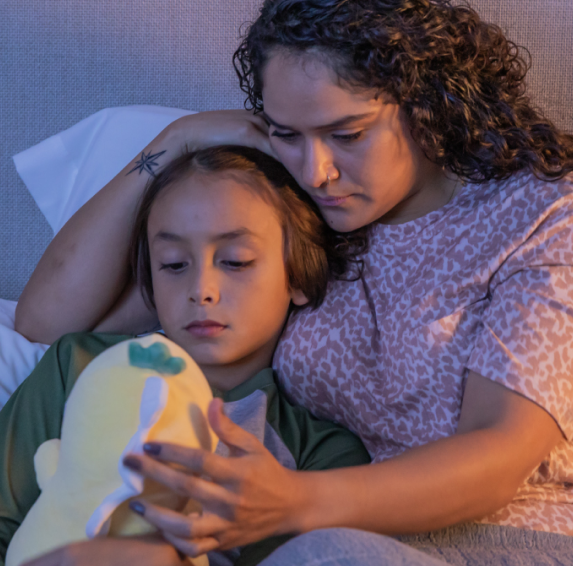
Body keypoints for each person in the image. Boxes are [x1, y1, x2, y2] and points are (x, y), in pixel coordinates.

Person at [15, 0, 573, 565]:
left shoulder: (544, 218)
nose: (318, 169)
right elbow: (46, 321)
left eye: (346, 134)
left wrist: (295, 503)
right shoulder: (305, 215)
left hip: (549, 541)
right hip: (361, 544)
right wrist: (177, 138)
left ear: (424, 105)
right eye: (287, 134)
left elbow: (497, 456)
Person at [0, 146, 370, 566]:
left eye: (236, 261)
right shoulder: (82, 365)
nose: (202, 289)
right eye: (174, 265)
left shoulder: (321, 455)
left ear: (299, 274)